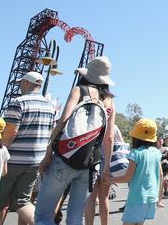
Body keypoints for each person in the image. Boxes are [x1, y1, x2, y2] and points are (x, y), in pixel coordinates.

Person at [35, 56, 116, 225]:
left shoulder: (79, 90)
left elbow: (63, 120)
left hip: (65, 157)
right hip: (90, 164)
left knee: (43, 215)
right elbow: (109, 138)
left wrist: (49, 152)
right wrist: (106, 167)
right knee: (75, 217)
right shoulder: (110, 101)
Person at [0, 71, 54, 225]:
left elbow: (11, 132)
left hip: (13, 160)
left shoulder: (18, 102)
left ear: (25, 83)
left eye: (20, 84)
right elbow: (50, 133)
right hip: (35, 161)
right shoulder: (49, 106)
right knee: (22, 201)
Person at [106, 118, 162, 224]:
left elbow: (128, 177)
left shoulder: (135, 153)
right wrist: (160, 196)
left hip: (137, 198)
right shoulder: (156, 153)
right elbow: (161, 174)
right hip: (152, 197)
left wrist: (110, 179)